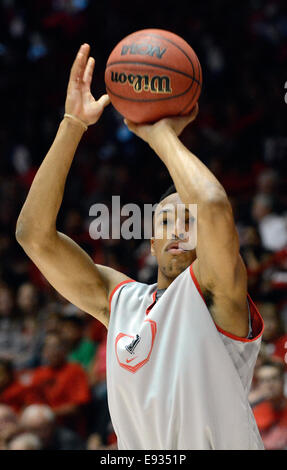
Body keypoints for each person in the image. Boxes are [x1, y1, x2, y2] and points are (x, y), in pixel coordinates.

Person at [16, 43, 264, 450]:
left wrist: (158, 133)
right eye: (168, 219)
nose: (180, 229)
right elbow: (33, 234)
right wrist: (72, 125)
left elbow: (214, 204)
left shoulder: (218, 294)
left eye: (191, 219)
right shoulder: (121, 303)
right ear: (151, 242)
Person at [252, 359, 287, 450]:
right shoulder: (253, 416)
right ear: (258, 384)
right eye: (264, 380)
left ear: (283, 380)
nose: (269, 385)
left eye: (274, 378)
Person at [19, 404, 85, 450]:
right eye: (34, 430)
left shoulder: (68, 440)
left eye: (44, 429)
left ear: (52, 425)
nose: (40, 434)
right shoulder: (23, 444)